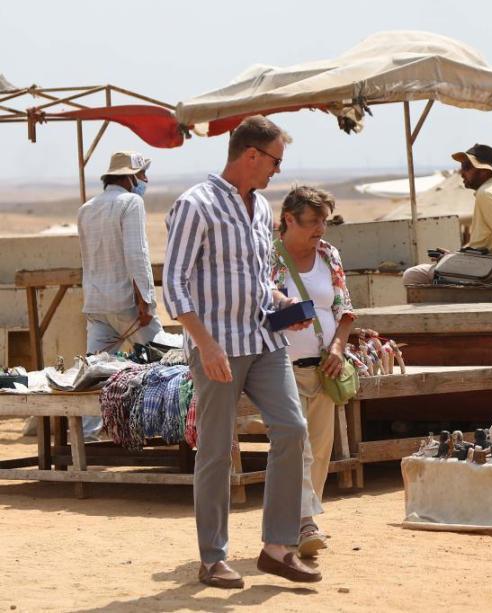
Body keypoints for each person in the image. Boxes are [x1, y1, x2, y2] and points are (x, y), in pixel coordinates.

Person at [163, 115, 319, 588]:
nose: (278, 170)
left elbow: (257, 282)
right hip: (218, 348)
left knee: (292, 428)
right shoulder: (195, 205)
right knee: (215, 450)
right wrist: (204, 343)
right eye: (275, 161)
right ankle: (212, 558)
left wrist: (284, 303)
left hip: (265, 341)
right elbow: (173, 285)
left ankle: (277, 548)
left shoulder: (262, 209)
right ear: (252, 155)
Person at [272, 185, 357, 559]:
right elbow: (257, 312)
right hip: (278, 368)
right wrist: (286, 316)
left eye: (324, 222)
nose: (320, 229)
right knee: (298, 445)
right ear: (289, 220)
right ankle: (305, 522)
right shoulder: (268, 258)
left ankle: (300, 522)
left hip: (324, 368)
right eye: (312, 222)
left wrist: (338, 347)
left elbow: (344, 309)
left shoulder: (329, 255)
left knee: (320, 450)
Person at [77, 151, 163, 440]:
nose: (145, 180)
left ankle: (87, 436)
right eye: (142, 175)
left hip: (96, 304)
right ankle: (163, 430)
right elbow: (136, 255)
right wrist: (145, 301)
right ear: (130, 178)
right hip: (128, 304)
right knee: (163, 362)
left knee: (93, 373)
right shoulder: (131, 202)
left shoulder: (86, 208)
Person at [402, 143, 492, 286]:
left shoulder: (487, 195)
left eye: (466, 167)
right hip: (490, 268)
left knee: (413, 275)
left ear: (484, 171)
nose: (461, 173)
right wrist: (454, 257)